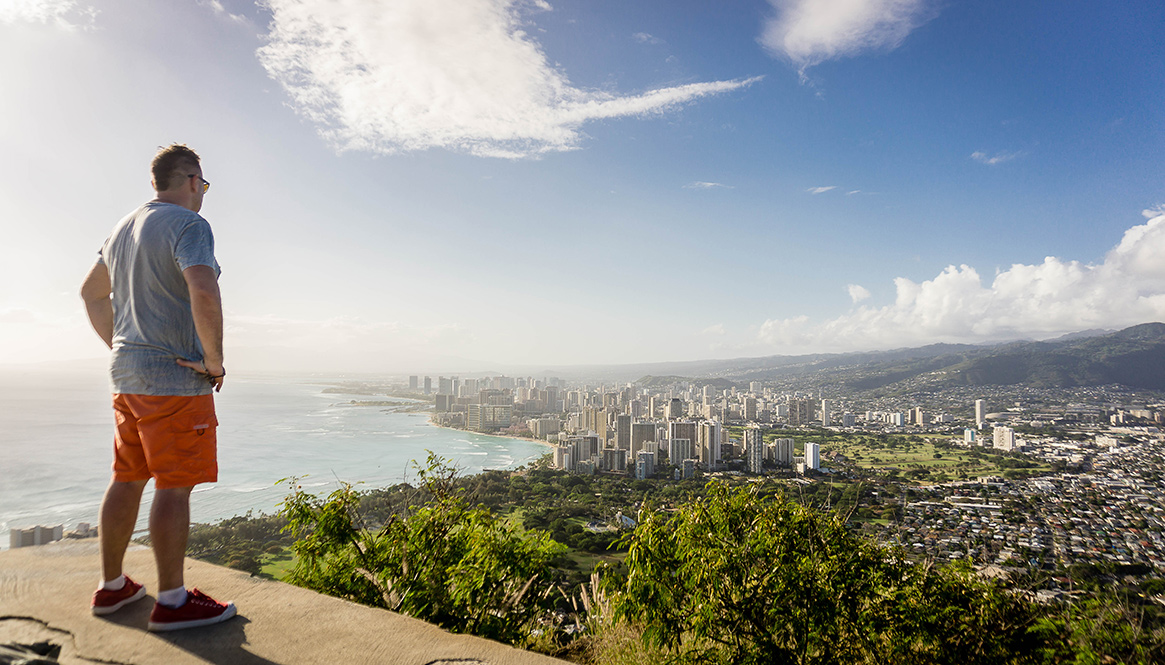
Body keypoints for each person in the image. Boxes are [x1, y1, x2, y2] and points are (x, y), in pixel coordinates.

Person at [80, 144, 236, 632]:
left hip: (127, 377)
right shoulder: (190, 225)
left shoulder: (121, 228)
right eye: (204, 185)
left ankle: (112, 588)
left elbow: (90, 293)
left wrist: (123, 346)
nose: (203, 194)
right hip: (175, 380)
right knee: (174, 484)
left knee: (127, 476)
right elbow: (202, 287)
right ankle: (172, 601)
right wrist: (213, 362)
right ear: (191, 180)